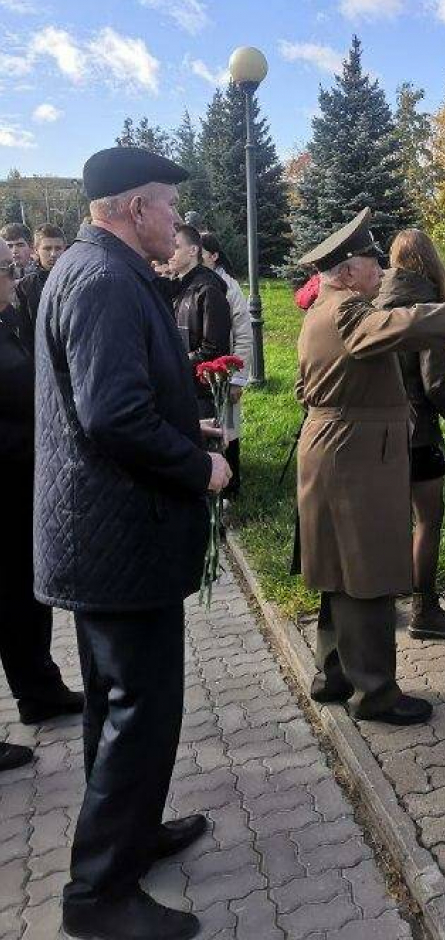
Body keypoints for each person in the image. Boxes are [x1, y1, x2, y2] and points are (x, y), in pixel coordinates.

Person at [34, 146, 232, 940]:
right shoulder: (108, 280)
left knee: (116, 708)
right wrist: (200, 466)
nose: (177, 221)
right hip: (118, 541)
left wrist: (189, 421)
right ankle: (98, 897)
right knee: (139, 710)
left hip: (106, 539)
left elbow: (115, 399)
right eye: (167, 205)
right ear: (131, 208)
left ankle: (132, 834)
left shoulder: (92, 269)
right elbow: (113, 417)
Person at [296, 208, 445, 725]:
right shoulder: (348, 312)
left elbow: (309, 387)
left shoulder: (321, 310)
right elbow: (409, 322)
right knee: (366, 575)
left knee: (338, 571)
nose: (379, 267)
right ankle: (376, 695)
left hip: (331, 451)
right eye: (371, 260)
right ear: (348, 271)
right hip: (352, 459)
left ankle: (334, 675)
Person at [0, 240, 82, 771]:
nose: (15, 275)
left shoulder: (7, 324)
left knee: (22, 599)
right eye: (6, 270)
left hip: (18, 486)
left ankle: (40, 690)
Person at [376, 229, 445, 640]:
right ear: (430, 262)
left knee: (388, 521)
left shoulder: (376, 304)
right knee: (428, 521)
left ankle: (380, 606)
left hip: (380, 431)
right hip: (418, 434)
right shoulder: (428, 311)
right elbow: (434, 383)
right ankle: (426, 611)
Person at [201, 232, 251, 495]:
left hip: (225, 371)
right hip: (204, 375)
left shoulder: (229, 286)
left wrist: (237, 377)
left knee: (229, 428)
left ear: (214, 256)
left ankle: (232, 486)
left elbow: (243, 333)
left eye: (202, 253)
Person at [169, 224, 232, 421]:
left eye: (176, 246)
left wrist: (173, 363)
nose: (170, 252)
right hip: (181, 388)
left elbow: (214, 348)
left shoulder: (208, 289)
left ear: (193, 250)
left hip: (202, 394)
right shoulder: (179, 286)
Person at [15, 222, 66, 351]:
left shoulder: (77, 281)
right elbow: (24, 331)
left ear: (64, 249)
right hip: (40, 356)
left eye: (58, 248)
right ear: (36, 250)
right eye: (47, 248)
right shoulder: (25, 286)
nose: (53, 254)